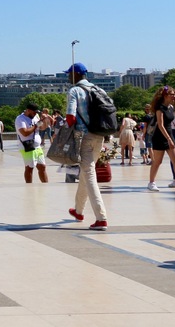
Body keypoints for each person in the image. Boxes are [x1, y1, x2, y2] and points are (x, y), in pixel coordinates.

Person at [65, 63, 108, 230]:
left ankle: (101, 217)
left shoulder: (74, 91)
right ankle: (78, 210)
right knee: (86, 171)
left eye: (69, 74)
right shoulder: (99, 90)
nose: (68, 77)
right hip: (100, 136)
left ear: (76, 75)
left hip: (85, 137)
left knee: (89, 174)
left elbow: (70, 116)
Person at [146, 86, 175, 193]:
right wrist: (168, 139)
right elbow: (160, 125)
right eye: (172, 94)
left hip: (170, 136)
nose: (174, 96)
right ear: (165, 96)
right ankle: (151, 183)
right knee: (157, 162)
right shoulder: (160, 109)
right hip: (160, 137)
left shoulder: (171, 107)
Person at [15, 102, 48, 183]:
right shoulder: (20, 119)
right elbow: (25, 132)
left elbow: (42, 128)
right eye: (34, 112)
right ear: (28, 110)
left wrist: (44, 120)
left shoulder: (35, 117)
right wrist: (36, 125)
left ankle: (45, 185)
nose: (35, 114)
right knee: (30, 167)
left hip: (37, 146)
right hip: (27, 146)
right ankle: (29, 186)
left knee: (42, 166)